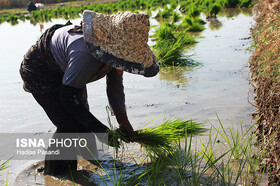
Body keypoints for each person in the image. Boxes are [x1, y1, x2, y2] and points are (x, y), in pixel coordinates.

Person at [19, 10, 159, 175]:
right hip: (40, 70)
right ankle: (54, 174)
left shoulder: (114, 55)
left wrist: (123, 121)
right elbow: (68, 97)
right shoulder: (85, 56)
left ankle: (90, 161)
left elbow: (115, 86)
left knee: (82, 116)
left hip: (67, 70)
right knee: (68, 124)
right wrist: (103, 132)